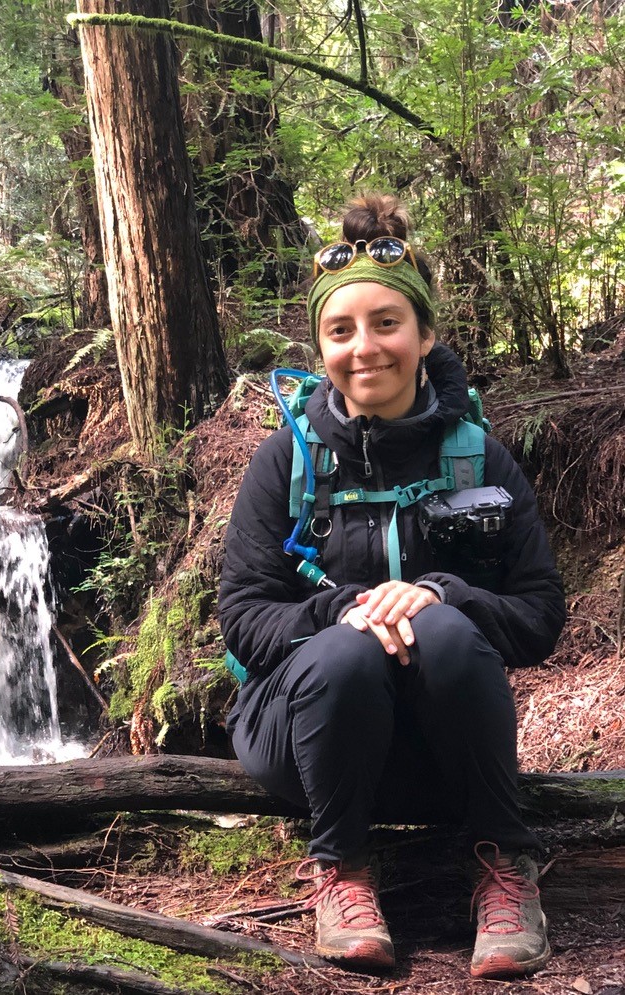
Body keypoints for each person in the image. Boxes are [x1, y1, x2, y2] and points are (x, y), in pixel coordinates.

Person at [218, 194, 566, 978]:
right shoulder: (286, 463)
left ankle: (503, 866)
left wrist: (446, 592)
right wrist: (341, 610)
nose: (364, 347)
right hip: (304, 735)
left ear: (424, 334)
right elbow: (242, 617)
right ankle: (340, 869)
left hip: (439, 741)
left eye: (386, 324)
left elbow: (541, 616)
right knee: (346, 654)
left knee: (438, 626)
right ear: (320, 346)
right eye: (340, 331)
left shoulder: (479, 457)